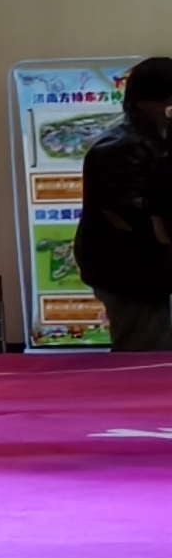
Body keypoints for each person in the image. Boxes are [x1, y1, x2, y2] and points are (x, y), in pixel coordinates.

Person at [78, 57, 172, 354]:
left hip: (142, 273)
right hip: (132, 275)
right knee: (145, 354)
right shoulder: (122, 148)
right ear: (156, 103)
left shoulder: (150, 140)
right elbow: (128, 213)